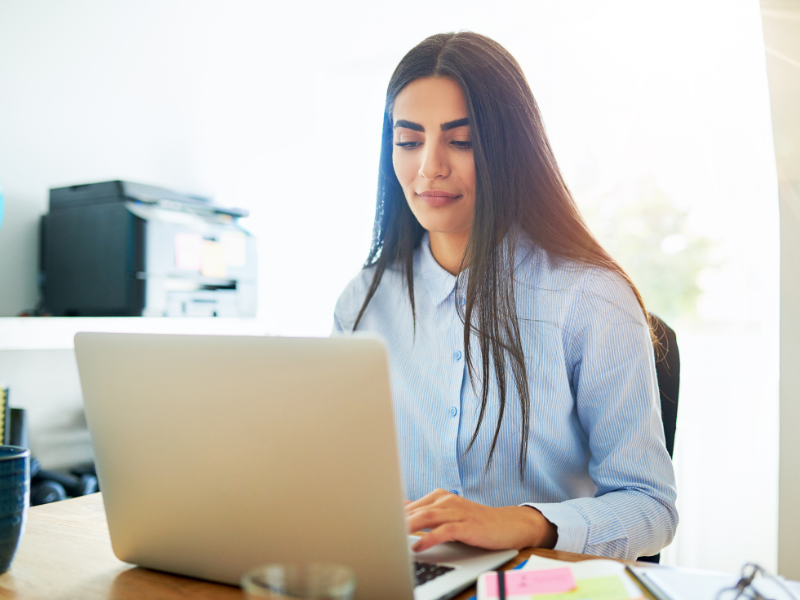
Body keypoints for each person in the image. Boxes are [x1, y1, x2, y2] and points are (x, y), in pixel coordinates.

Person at [332, 32, 677, 561]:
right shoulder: (361, 304)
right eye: (408, 141)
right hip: (403, 578)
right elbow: (337, 480)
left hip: (543, 588)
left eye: (461, 140)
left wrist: (523, 525)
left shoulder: (590, 299)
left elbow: (651, 508)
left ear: (508, 149)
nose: (430, 166)